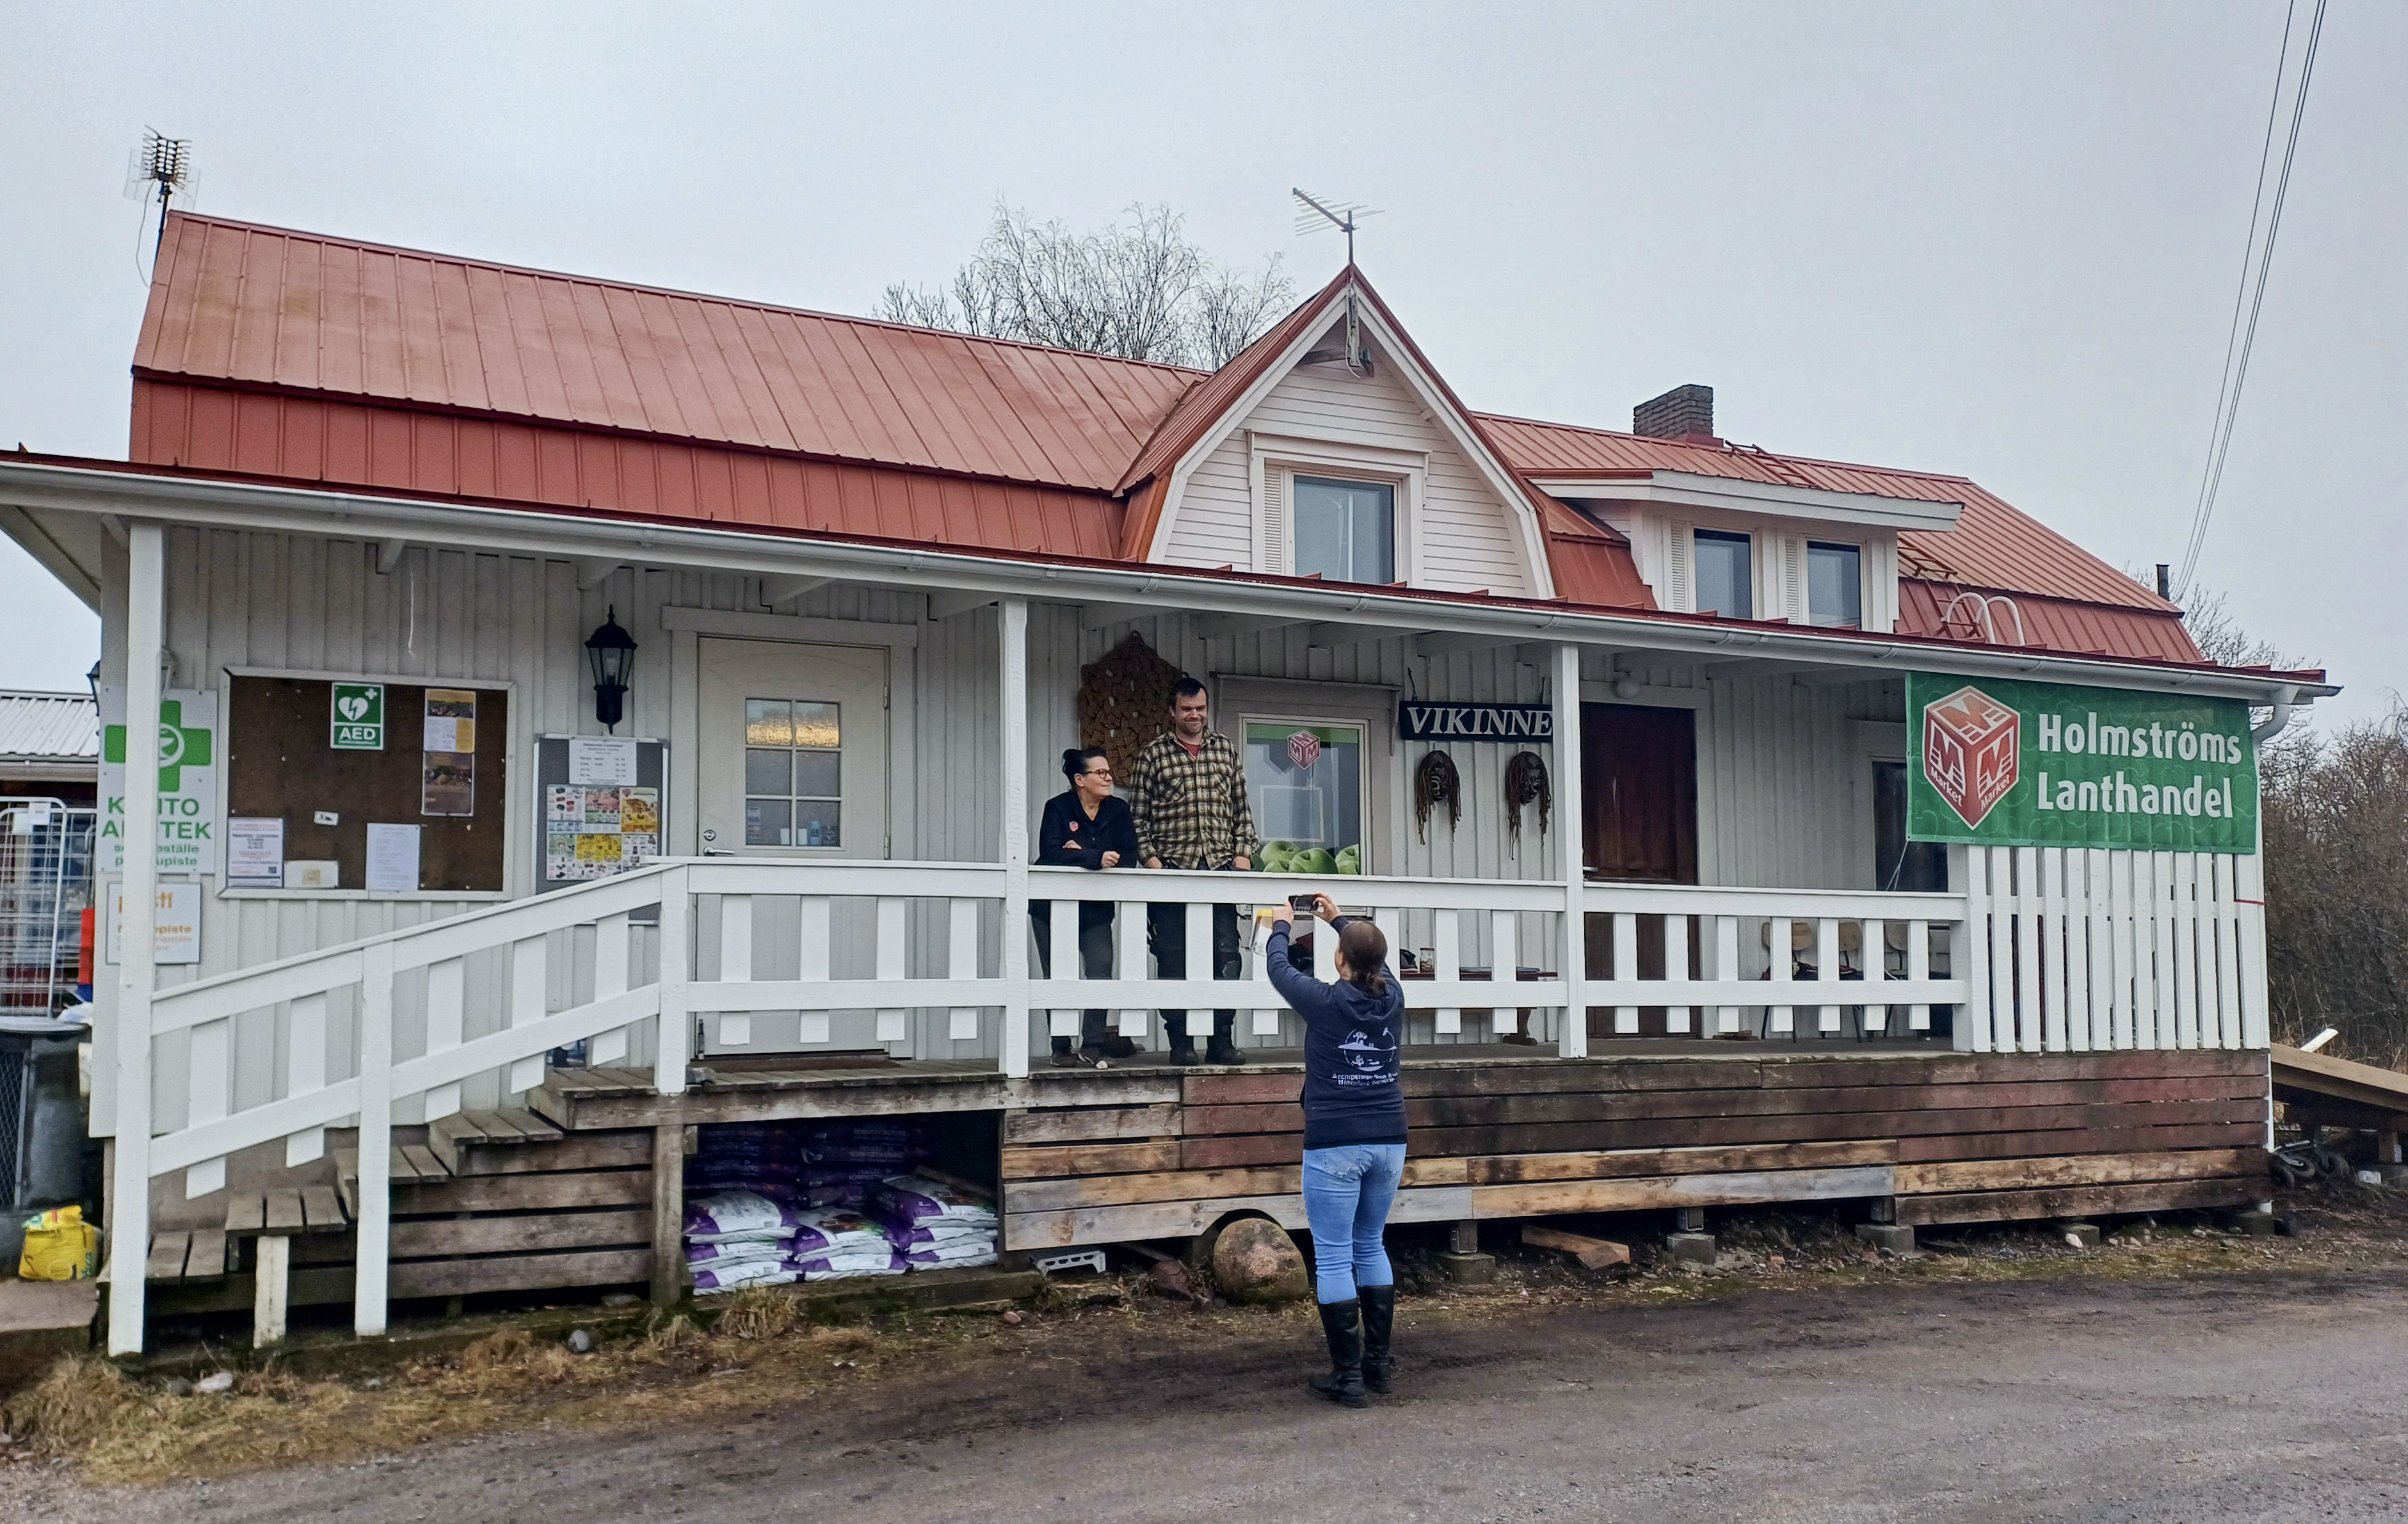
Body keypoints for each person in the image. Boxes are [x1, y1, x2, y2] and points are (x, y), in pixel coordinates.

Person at [1266, 892, 1404, 1408]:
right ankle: (1378, 1367)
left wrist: (1283, 924)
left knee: (1332, 1257)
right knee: (1371, 1244)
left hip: (1335, 1141)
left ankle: (1347, 1378)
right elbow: (1378, 963)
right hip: (1390, 1137)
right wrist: (1339, 919)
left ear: (1339, 960)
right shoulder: (1394, 995)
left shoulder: (1325, 1000)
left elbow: (1279, 968)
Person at [1125, 677, 1256, 1066]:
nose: (1194, 715)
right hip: (1172, 870)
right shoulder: (1153, 755)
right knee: (1172, 958)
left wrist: (1244, 854)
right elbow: (1137, 818)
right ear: (1172, 712)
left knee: (1227, 957)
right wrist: (1152, 861)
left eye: (1200, 708)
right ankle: (1180, 1042)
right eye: (1187, 709)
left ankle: (1222, 1041)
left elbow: (1241, 809)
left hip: (1220, 868)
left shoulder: (1225, 751)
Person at [1033, 747, 1138, 1068]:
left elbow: (1128, 856)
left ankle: (1092, 1045)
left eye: (1108, 772)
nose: (1108, 778)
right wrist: (1094, 858)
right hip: (1049, 907)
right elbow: (1049, 853)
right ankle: (1061, 1046)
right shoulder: (1058, 808)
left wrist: (1078, 851)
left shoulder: (1118, 810)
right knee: (1056, 974)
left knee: (1100, 969)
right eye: (1100, 773)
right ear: (1080, 780)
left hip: (1096, 908)